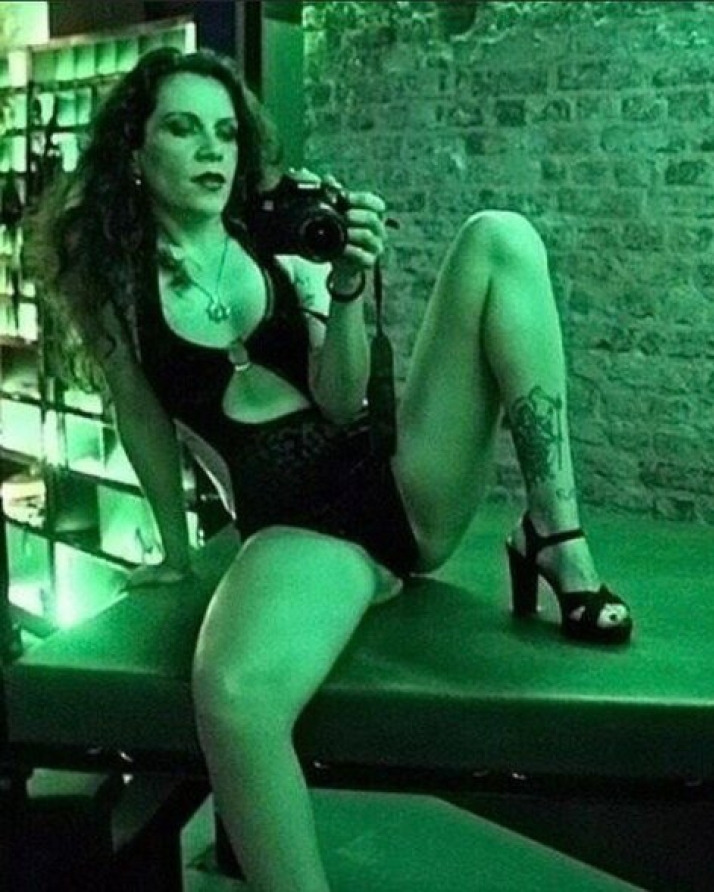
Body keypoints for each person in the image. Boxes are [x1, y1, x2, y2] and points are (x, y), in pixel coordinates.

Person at [28, 47, 632, 892]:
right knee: (235, 695)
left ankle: (555, 536)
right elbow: (142, 419)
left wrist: (344, 284)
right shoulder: (119, 286)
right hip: (302, 529)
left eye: (225, 133)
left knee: (501, 237)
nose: (211, 150)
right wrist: (173, 549)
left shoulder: (276, 237)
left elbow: (344, 402)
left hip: (397, 481)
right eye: (183, 129)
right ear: (136, 150)